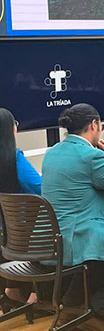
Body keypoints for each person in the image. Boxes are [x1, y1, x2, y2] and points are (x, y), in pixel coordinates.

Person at [41, 103, 104, 318]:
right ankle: (95, 304)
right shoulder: (93, 157)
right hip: (82, 240)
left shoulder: (51, 153)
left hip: (51, 240)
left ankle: (77, 302)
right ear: (94, 124)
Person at [0, 108, 42, 306]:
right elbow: (39, 188)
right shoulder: (13, 158)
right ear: (9, 130)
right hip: (17, 232)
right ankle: (35, 293)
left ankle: (13, 287)